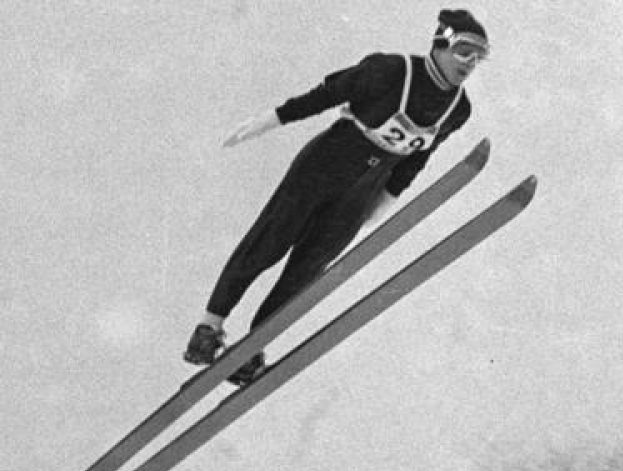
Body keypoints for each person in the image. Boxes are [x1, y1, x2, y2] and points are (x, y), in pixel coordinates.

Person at [184, 9, 490, 385]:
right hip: (325, 164)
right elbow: (325, 95)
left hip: (365, 188)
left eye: (480, 55)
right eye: (464, 50)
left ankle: (254, 345)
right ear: (441, 43)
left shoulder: (458, 109)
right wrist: (269, 121)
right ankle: (208, 328)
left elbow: (419, 157)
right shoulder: (390, 71)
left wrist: (387, 199)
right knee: (270, 241)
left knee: (308, 268)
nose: (471, 62)